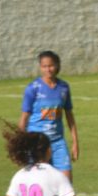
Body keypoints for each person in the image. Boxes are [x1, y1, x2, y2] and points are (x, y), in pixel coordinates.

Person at [19, 51, 78, 183]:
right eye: (44, 66)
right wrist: (21, 144)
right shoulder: (32, 88)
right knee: (38, 184)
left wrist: (75, 143)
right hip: (37, 144)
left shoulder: (64, 88)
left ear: (57, 65)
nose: (48, 69)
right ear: (40, 67)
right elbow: (24, 118)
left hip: (58, 143)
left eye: (51, 65)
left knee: (66, 183)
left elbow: (69, 116)